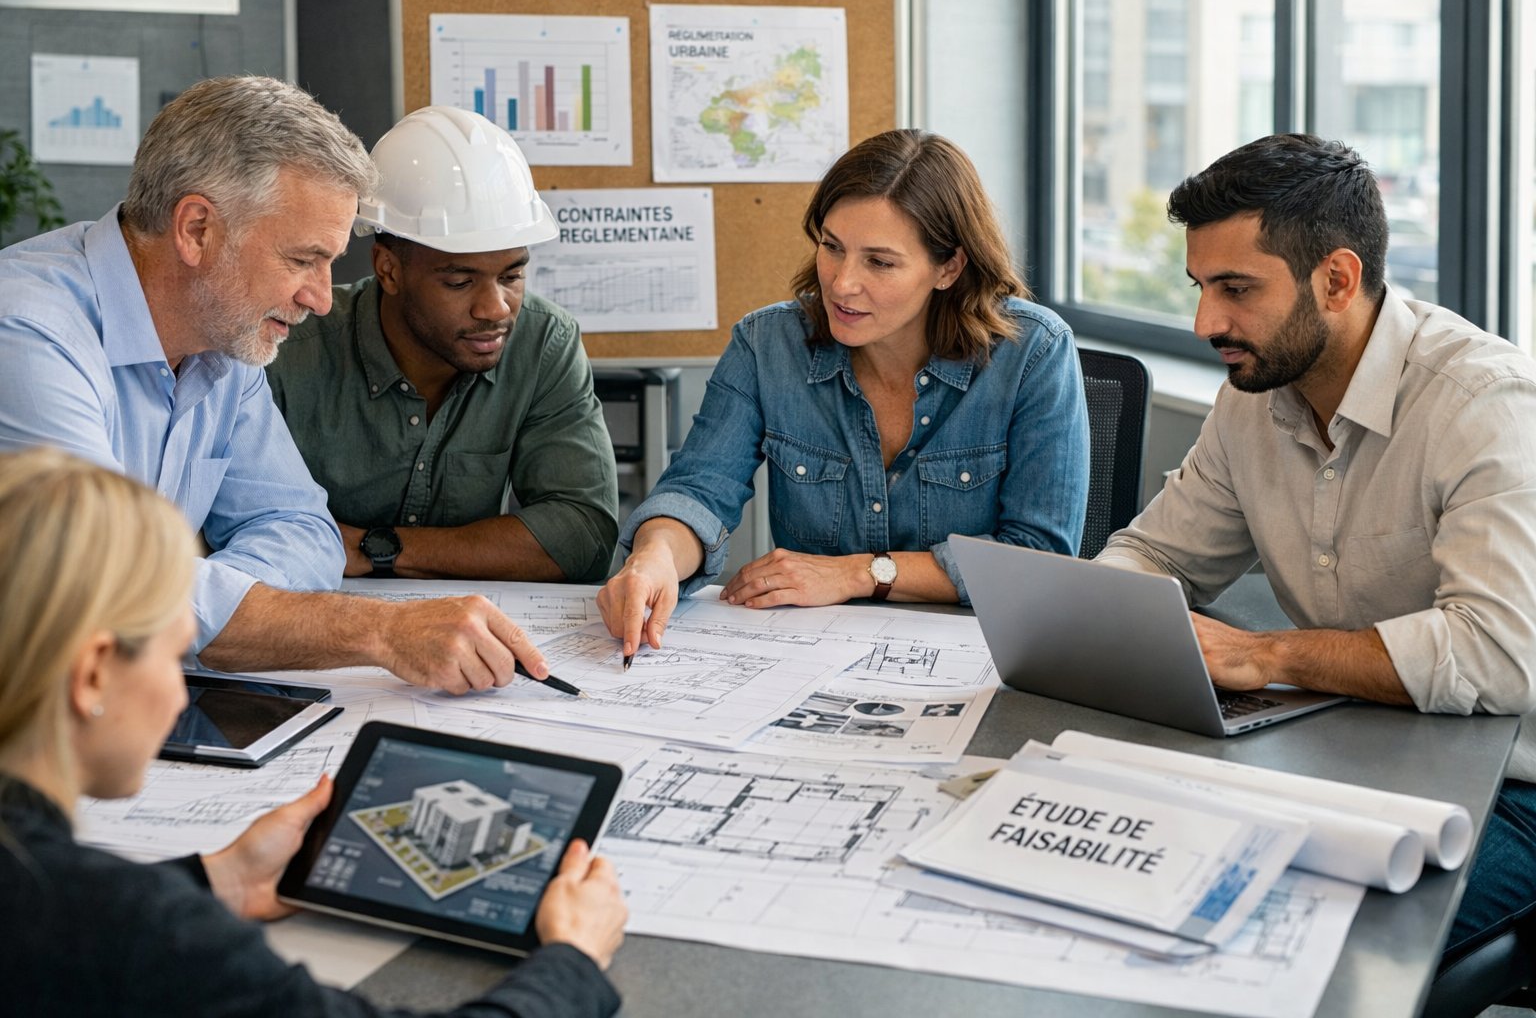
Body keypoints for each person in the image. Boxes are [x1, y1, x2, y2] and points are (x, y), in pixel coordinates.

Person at [1094, 133, 1536, 977]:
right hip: (1345, 749)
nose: (1205, 323)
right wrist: (1105, 621)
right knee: (1155, 895)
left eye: (1235, 289)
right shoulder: (1252, 400)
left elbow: (1497, 655)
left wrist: (1267, 655)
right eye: (1199, 287)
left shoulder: (1486, 404)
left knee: (1289, 951)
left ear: (1336, 279)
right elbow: (1155, 552)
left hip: (1510, 784)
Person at [0, 447, 627, 1018]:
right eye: (174, 658)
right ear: (92, 676)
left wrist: (216, 879)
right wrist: (572, 962)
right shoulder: (131, 928)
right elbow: (100, 929)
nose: (177, 692)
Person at [0, 76, 553, 694]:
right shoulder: (26, 332)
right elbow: (97, 586)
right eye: (301, 260)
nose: (321, 299)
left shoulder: (224, 342)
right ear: (196, 230)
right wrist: (380, 631)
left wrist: (198, 608)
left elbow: (303, 528)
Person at [598, 129, 1090, 657]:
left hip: (974, 660)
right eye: (832, 247)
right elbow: (700, 490)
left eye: (879, 262)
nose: (840, 283)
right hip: (808, 655)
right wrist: (653, 557)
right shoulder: (768, 344)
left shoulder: (1034, 351)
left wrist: (859, 574)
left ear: (948, 267)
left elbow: (1038, 557)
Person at [269, 106, 618, 584]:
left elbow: (583, 536)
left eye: (512, 275)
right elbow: (239, 528)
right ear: (389, 270)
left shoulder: (544, 343)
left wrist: (379, 548)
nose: (495, 308)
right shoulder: (291, 349)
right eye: (459, 281)